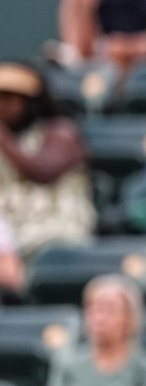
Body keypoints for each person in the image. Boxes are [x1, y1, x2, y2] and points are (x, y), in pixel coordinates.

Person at [0, 61, 95, 254]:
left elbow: (43, 171)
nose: (1, 105)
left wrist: (2, 138)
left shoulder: (60, 132)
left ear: (31, 102)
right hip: (7, 232)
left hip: (54, 232)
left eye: (9, 98)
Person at [46, 275, 146, 386]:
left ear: (129, 318)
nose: (99, 319)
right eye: (93, 310)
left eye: (109, 310)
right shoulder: (67, 364)